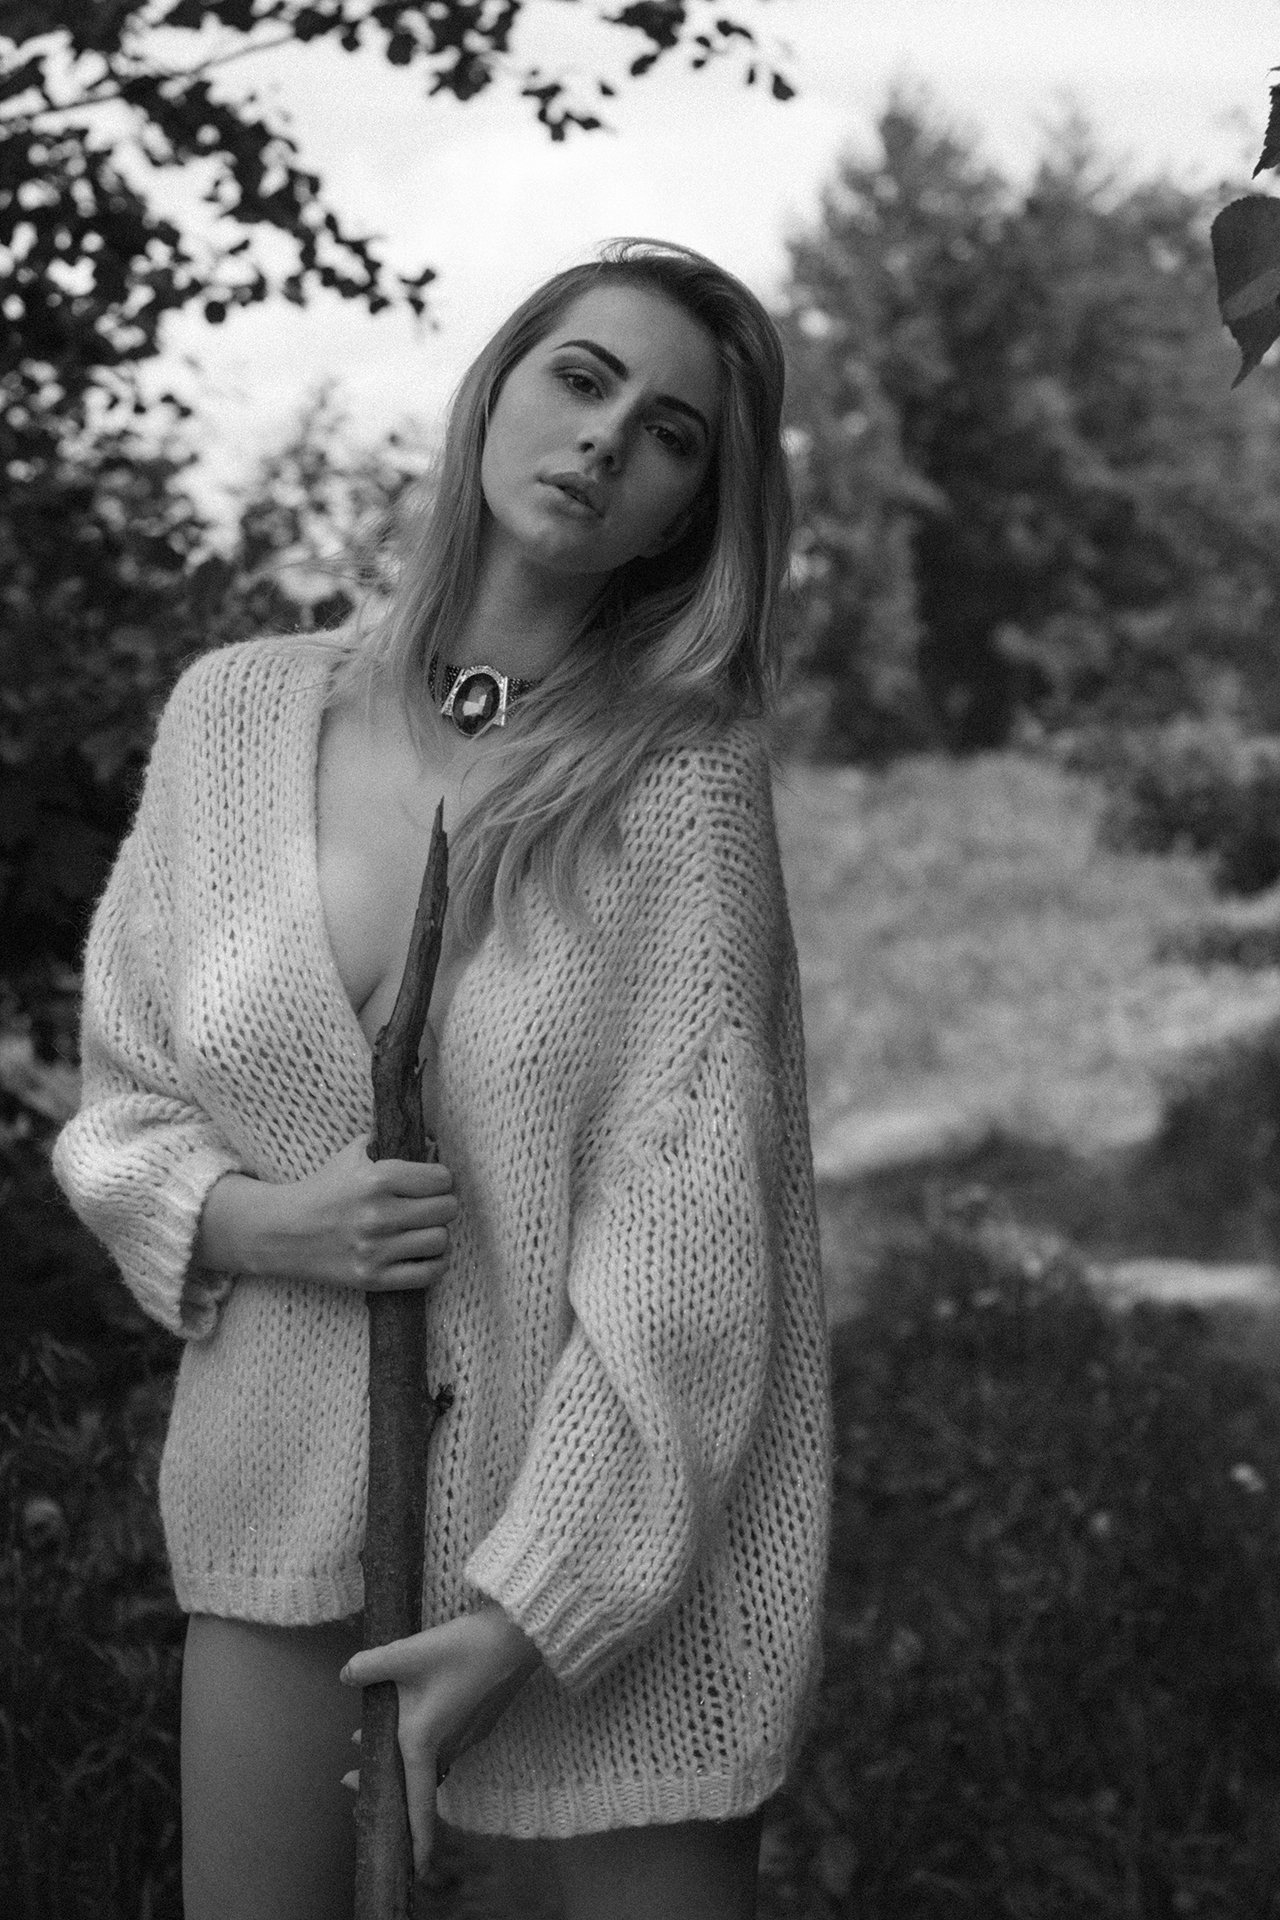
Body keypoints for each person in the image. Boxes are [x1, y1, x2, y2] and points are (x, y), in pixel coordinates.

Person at [52, 238, 833, 1920]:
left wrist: (528, 1610)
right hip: (277, 1515)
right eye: (582, 378)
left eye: (674, 435)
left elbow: (695, 1252)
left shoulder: (680, 786)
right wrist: (255, 1222)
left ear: (686, 516)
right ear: (496, 394)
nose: (609, 438)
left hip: (606, 1586)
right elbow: (123, 1102)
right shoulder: (234, 719)